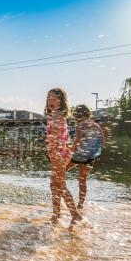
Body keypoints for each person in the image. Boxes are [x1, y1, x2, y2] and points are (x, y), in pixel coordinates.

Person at [45, 88, 82, 226]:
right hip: (58, 154)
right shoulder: (55, 114)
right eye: (49, 98)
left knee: (59, 185)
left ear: (62, 101)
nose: (51, 101)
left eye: (54, 98)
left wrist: (53, 155)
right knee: (54, 185)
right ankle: (56, 213)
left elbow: (54, 137)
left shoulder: (57, 115)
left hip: (58, 155)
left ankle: (75, 214)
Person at [66, 104, 105, 209]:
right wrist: (94, 151)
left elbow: (77, 141)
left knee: (62, 171)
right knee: (82, 181)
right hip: (91, 157)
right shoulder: (96, 125)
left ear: (77, 115)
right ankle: (81, 204)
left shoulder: (80, 125)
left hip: (80, 155)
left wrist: (69, 149)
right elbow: (102, 141)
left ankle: (62, 193)